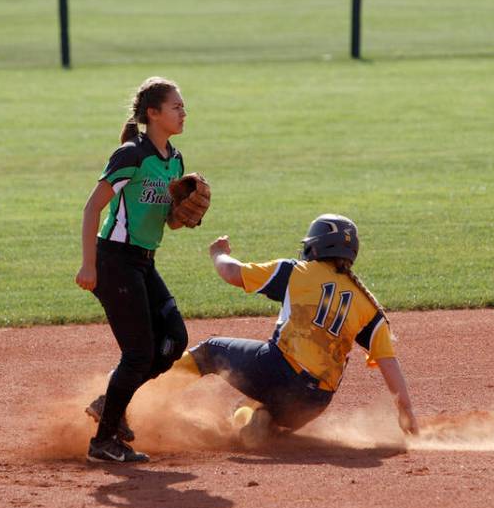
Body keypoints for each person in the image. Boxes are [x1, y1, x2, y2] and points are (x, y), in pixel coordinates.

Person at [168, 214, 419, 445]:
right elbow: (389, 362)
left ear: (315, 246)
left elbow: (232, 273)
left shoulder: (296, 271)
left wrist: (218, 253)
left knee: (211, 351)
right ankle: (260, 423)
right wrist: (406, 410)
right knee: (257, 406)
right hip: (313, 404)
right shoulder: (368, 304)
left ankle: (147, 392)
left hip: (279, 373)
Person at [75, 76, 193, 464]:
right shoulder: (131, 154)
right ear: (153, 114)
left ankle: (109, 403)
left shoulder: (174, 160)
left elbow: (168, 221)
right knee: (139, 354)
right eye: (175, 106)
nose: (183, 112)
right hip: (114, 261)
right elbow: (93, 207)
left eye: (182, 106)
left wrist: (182, 216)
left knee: (173, 341)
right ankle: (103, 441)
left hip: (144, 261)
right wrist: (88, 265)